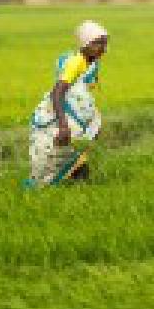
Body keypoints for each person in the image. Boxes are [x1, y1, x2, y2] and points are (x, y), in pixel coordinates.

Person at [26, 21, 108, 188]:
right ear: (85, 44)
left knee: (74, 155)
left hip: (75, 114)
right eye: (97, 43)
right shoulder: (76, 62)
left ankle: (75, 180)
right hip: (61, 115)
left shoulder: (91, 61)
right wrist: (63, 126)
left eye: (104, 43)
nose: (102, 48)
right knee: (53, 154)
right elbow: (58, 92)